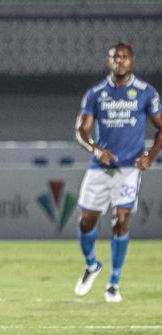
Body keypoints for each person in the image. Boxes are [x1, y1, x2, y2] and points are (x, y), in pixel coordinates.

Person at [74, 41, 162, 302]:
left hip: (129, 168)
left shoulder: (146, 92)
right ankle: (92, 265)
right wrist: (95, 149)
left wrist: (151, 156)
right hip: (101, 167)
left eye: (124, 57)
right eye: (115, 57)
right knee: (85, 221)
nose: (119, 61)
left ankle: (113, 283)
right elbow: (81, 131)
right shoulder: (96, 93)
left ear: (131, 61)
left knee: (120, 219)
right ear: (109, 61)